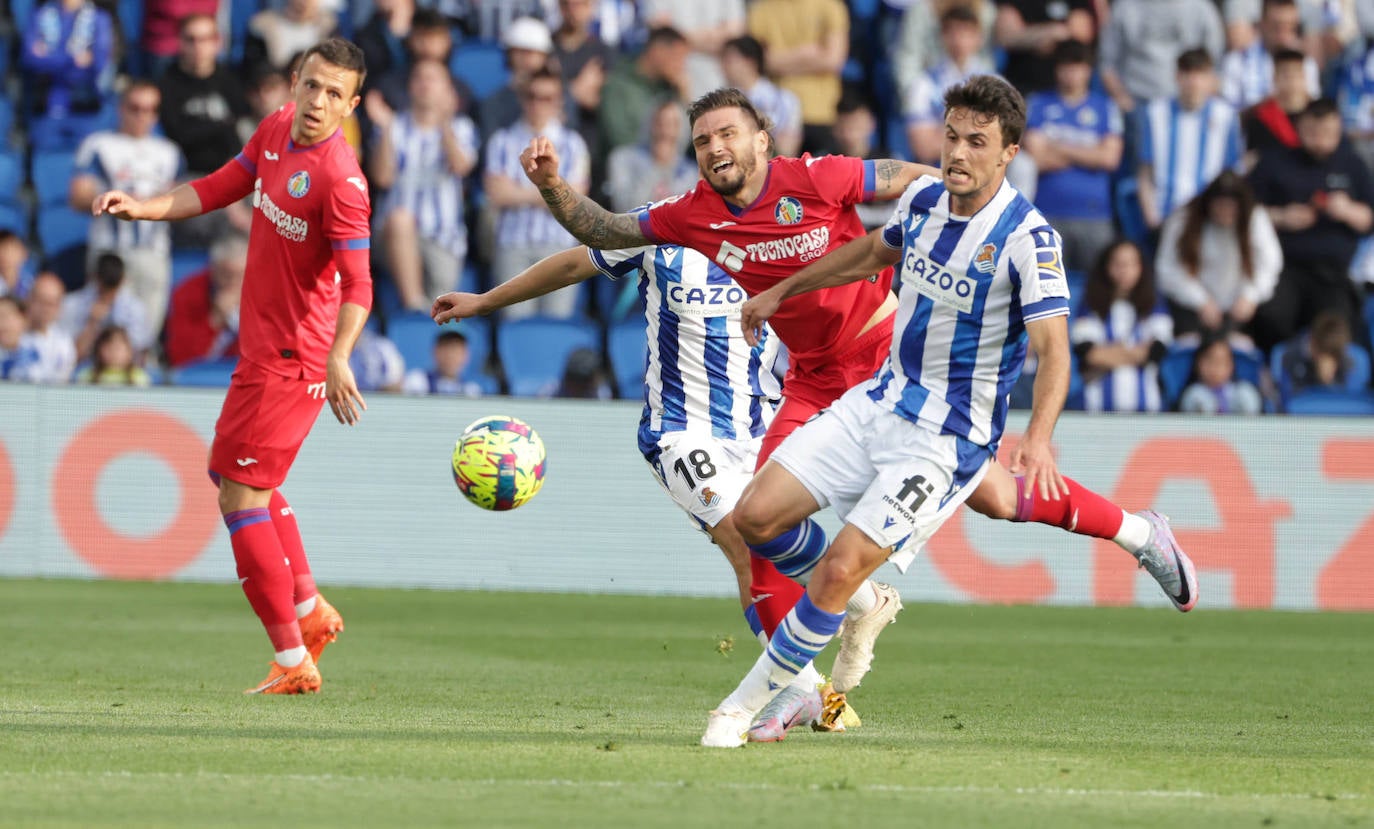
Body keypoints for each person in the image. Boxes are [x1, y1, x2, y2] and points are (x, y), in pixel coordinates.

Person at [522, 84, 1197, 739]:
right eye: (703, 140)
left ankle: (1140, 534)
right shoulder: (695, 212)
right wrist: (551, 186)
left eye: (727, 133)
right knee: (756, 521)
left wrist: (950, 174)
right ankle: (812, 671)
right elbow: (604, 230)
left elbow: (897, 178)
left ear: (762, 137)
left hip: (882, 359)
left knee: (993, 495)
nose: (715, 147)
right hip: (816, 381)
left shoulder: (821, 177)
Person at [431, 240, 860, 738]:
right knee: (743, 542)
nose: (714, 156)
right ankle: (806, 689)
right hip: (679, 432)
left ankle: (832, 642)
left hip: (762, 426)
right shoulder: (659, 230)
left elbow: (850, 278)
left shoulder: (777, 237)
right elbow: (575, 261)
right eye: (701, 153)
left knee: (772, 554)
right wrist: (486, 301)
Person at [90, 38, 374, 696]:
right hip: (260, 348)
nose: (318, 102)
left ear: (351, 104)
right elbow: (220, 186)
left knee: (239, 496)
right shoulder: (276, 130)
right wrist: (146, 206)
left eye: (335, 94)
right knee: (233, 475)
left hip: (293, 356)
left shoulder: (341, 180)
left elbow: (360, 284)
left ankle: (291, 657)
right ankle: (309, 611)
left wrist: (338, 356)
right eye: (312, 85)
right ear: (293, 84)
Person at [1247, 98, 1374, 352]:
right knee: (1270, 316)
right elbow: (1245, 211)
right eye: (1313, 132)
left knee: (1337, 326)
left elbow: (1369, 219)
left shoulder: (1353, 165)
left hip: (1333, 273)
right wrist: (1281, 217)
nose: (1320, 139)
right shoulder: (1275, 162)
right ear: (1300, 128)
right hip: (1281, 267)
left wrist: (1348, 210)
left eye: (1327, 132)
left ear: (1338, 130)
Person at [68, 80, 186, 335]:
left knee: (145, 334)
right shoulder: (99, 144)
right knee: (103, 333)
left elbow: (182, 202)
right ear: (121, 108)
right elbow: (78, 194)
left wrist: (150, 203)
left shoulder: (170, 152)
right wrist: (117, 200)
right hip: (110, 249)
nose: (142, 115)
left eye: (150, 109)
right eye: (135, 107)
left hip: (153, 251)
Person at [366, 57, 479, 311]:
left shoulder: (461, 127)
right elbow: (382, 177)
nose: (425, 84)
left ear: (448, 89)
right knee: (401, 219)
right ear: (410, 87)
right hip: (393, 236)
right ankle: (413, 306)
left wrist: (445, 123)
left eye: (433, 78)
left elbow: (461, 165)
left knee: (443, 310)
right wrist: (384, 130)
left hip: (444, 237)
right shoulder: (392, 126)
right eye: (419, 77)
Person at [485, 67, 591, 320]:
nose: (537, 104)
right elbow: (496, 193)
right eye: (532, 96)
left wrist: (521, 192)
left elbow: (575, 201)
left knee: (557, 325)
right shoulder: (501, 140)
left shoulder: (574, 144)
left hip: (560, 246)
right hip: (513, 243)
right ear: (522, 98)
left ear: (558, 101)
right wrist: (550, 188)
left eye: (546, 98)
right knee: (515, 325)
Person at [1023, 39, 1123, 273]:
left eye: (1078, 66)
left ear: (1089, 70)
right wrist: (1090, 154)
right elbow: (1036, 158)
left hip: (1094, 214)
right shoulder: (1038, 104)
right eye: (1066, 66)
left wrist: (1057, 146)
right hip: (1046, 213)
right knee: (1045, 289)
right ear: (1057, 69)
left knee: (1099, 289)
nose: (1072, 73)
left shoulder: (1106, 108)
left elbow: (1109, 158)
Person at [1155, 171, 1282, 339]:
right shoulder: (1183, 219)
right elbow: (1167, 269)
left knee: (1275, 318)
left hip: (1240, 306)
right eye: (1220, 205)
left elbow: (1270, 263)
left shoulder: (1255, 218)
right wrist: (1200, 301)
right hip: (1192, 305)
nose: (1225, 212)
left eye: (1231, 207)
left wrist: (1250, 296)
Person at [1137, 49, 1244, 232]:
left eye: (1200, 75)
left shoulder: (1226, 116)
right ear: (1177, 77)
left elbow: (1233, 172)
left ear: (1211, 79)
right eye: (1188, 74)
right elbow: (1146, 173)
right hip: (1166, 217)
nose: (1194, 82)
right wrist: (1152, 219)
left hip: (1210, 221)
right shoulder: (1156, 113)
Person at [1071, 239, 1174, 413]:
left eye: (1131, 264)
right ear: (1107, 267)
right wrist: (1136, 352)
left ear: (1141, 267)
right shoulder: (1091, 304)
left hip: (1146, 408)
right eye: (1118, 264)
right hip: (1096, 409)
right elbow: (1088, 353)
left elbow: (1157, 351)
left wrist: (1109, 353)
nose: (1124, 270)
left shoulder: (1154, 304)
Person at [746, 0, 849, 155]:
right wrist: (808, 53)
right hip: (777, 117)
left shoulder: (830, 6)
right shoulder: (761, 9)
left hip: (822, 113)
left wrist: (779, 60)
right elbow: (758, 61)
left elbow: (834, 61)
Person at [158, 13, 250, 178]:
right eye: (190, 39)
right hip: (187, 174)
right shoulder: (166, 84)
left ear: (217, 42)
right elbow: (176, 134)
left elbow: (242, 127)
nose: (198, 46)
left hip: (234, 171)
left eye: (205, 39)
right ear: (179, 42)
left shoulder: (232, 81)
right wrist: (221, 125)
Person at [904, 6, 997, 166]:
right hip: (937, 172)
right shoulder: (923, 84)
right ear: (942, 37)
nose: (959, 40)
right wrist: (978, 135)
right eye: (952, 32)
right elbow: (923, 147)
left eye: (966, 32)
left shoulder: (996, 84)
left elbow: (1002, 142)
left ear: (979, 38)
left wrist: (946, 133)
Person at [20, 0, 116, 150]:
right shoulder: (39, 14)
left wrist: (49, 58)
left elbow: (98, 64)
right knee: (45, 158)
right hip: (46, 104)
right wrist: (72, 60)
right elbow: (30, 59)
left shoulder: (99, 18)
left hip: (84, 105)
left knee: (85, 161)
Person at [1098, 0, 1225, 113]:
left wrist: (1200, 97)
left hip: (1186, 106)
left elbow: (1216, 63)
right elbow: (1107, 63)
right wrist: (1121, 97)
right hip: (1137, 103)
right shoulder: (1125, 6)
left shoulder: (1201, 7)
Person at [163, 234, 246, 368]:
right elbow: (181, 359)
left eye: (241, 275)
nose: (233, 282)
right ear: (213, 270)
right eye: (227, 275)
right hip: (198, 380)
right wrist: (215, 319)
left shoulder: (263, 293)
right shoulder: (188, 293)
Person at [1220, 0, 1321, 110]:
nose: (1284, 34)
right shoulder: (1237, 62)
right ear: (1262, 24)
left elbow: (1313, 109)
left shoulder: (1306, 63)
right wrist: (1269, 107)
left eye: (1290, 27)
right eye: (1277, 27)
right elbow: (1228, 112)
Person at [58, 252, 153, 365]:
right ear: (94, 278)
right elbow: (70, 357)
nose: (109, 296)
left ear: (123, 281)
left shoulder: (136, 309)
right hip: (83, 374)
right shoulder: (72, 304)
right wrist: (92, 324)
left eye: (114, 290)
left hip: (124, 375)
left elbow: (140, 355)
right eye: (104, 289)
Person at [603, 100, 698, 213]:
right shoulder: (622, 158)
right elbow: (624, 208)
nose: (665, 131)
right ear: (649, 124)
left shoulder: (690, 172)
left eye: (673, 124)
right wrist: (657, 165)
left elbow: (686, 214)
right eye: (660, 123)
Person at [719, 35, 802, 159]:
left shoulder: (785, 99)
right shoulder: (720, 102)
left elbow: (789, 144)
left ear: (750, 62)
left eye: (729, 61)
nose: (723, 67)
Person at [993, 0, 1096, 98]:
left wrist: (1029, 34)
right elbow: (1006, 35)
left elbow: (1083, 30)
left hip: (1068, 91)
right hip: (1024, 85)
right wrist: (1049, 33)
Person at [1178, 332, 1264, 414]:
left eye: (1222, 362)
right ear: (1198, 363)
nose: (1216, 367)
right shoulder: (1194, 394)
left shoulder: (1241, 393)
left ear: (1231, 365)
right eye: (1210, 361)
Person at [23, 272, 78, 383]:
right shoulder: (10, 335)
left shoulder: (65, 343)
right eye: (41, 301)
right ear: (29, 300)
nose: (46, 309)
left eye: (52, 303)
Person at [401, 328, 483, 396]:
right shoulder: (417, 381)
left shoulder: (471, 390)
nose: (450, 355)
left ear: (466, 355)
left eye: (456, 350)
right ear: (435, 351)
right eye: (445, 348)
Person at [75, 325, 152, 386]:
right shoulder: (87, 376)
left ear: (129, 351)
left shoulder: (139, 377)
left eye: (118, 348)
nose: (114, 352)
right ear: (98, 350)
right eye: (109, 348)